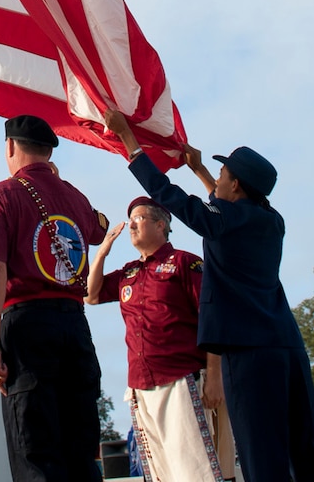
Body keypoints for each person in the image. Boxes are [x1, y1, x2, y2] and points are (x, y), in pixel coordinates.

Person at [102, 109, 314, 482]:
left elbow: (168, 195)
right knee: (308, 446)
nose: (219, 179)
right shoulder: (272, 221)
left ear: (237, 185)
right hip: (287, 346)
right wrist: (199, 170)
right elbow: (228, 208)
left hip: (248, 351)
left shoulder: (223, 221)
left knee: (263, 453)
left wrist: (130, 141)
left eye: (224, 174)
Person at [0, 113, 108, 481]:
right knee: (81, 454)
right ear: (50, 153)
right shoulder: (74, 197)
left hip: (27, 328)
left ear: (10, 147)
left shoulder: (1, 195)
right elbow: (99, 227)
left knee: (35, 454)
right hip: (75, 326)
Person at [88, 196, 231, 482]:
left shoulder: (185, 263)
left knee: (194, 469)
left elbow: (212, 320)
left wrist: (215, 376)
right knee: (161, 472)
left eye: (139, 218)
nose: (131, 224)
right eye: (130, 219)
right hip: (141, 386)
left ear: (161, 225)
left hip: (181, 379)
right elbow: (90, 295)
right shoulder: (129, 272)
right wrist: (102, 252)